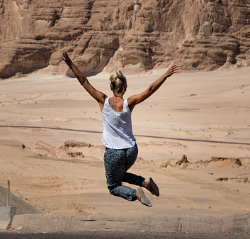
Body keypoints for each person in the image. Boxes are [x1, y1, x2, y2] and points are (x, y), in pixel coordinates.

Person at [62, 52, 178, 207]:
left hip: (114, 152)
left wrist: (70, 64)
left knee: (113, 185)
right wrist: (165, 75)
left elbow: (84, 81)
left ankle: (135, 193)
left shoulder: (103, 100)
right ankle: (145, 183)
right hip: (131, 150)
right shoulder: (129, 103)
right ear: (125, 88)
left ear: (111, 87)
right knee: (120, 174)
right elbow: (150, 89)